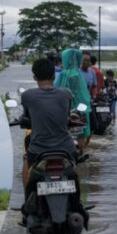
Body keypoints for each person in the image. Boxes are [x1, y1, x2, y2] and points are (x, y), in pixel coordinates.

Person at [20, 58, 77, 187]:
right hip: (65, 148)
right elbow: (67, 117)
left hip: (38, 149)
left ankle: (27, 196)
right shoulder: (66, 93)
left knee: (25, 158)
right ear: (53, 75)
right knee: (74, 165)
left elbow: (26, 117)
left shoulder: (27, 96)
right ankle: (76, 200)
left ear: (34, 77)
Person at [54, 48, 92, 153]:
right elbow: (83, 93)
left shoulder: (63, 74)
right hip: (81, 107)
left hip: (66, 107)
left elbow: (57, 90)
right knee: (82, 131)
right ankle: (81, 152)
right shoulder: (78, 74)